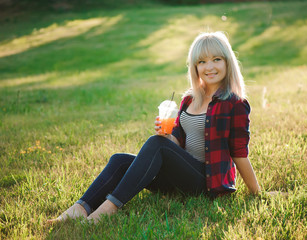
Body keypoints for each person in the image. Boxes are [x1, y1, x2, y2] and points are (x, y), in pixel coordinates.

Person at [48, 31, 261, 224]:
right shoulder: (189, 99)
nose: (210, 66)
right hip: (180, 177)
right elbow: (177, 139)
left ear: (227, 62)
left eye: (217, 59)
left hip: (206, 182)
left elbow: (239, 153)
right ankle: (80, 207)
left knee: (156, 144)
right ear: (195, 67)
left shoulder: (235, 104)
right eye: (202, 61)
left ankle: (107, 209)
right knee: (120, 160)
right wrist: (166, 135)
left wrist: (257, 192)